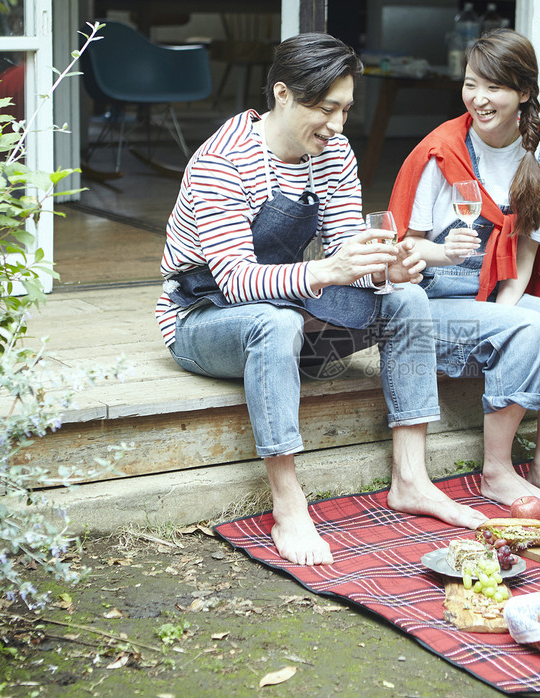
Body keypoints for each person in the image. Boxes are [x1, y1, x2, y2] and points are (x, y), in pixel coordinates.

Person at [155, 34, 487, 567]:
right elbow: (238, 281)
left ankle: (411, 478)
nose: (336, 124)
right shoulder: (223, 161)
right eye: (324, 108)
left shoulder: (333, 154)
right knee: (274, 324)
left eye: (346, 109)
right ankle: (288, 503)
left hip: (291, 308)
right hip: (205, 319)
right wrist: (330, 270)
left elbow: (343, 252)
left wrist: (383, 272)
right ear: (283, 94)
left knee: (405, 300)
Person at [388, 29, 540, 507]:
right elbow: (406, 250)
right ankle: (497, 471)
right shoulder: (442, 151)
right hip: (431, 301)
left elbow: (525, 255)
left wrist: (503, 310)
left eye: (494, 88)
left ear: (523, 93)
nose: (478, 99)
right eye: (470, 85)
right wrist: (448, 257)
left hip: (491, 295)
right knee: (525, 325)